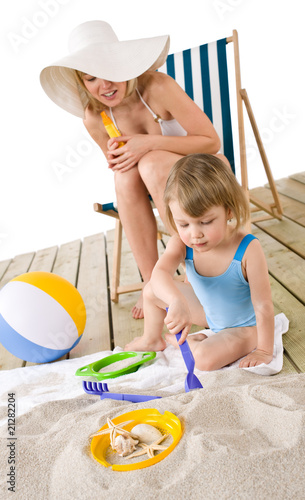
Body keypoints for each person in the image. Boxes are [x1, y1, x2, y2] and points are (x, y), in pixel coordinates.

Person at [40, 20, 226, 319]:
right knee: (124, 177)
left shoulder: (158, 86)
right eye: (90, 79)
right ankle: (152, 283)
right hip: (155, 186)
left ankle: (197, 269)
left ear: (124, 64)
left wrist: (147, 144)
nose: (104, 86)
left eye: (110, 73)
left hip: (204, 171)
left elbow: (211, 142)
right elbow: (119, 163)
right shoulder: (94, 116)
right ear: (82, 83)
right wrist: (122, 158)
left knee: (150, 163)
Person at [124, 154, 275, 370]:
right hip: (209, 314)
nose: (195, 234)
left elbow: (263, 305)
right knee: (151, 290)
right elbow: (160, 273)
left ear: (228, 210)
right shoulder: (181, 242)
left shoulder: (248, 248)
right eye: (184, 224)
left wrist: (264, 350)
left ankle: (194, 343)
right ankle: (151, 339)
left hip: (244, 327)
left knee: (203, 360)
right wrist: (175, 301)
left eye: (205, 222)